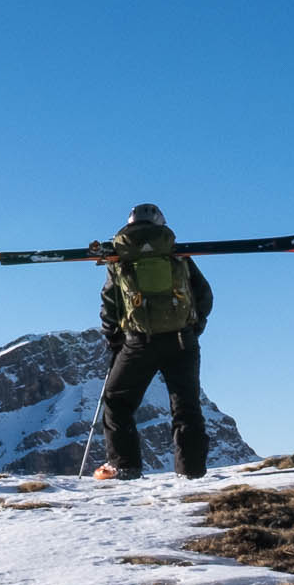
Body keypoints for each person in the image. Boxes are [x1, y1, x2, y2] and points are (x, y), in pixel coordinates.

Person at [94, 203, 214, 479]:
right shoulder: (177, 255)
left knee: (117, 401)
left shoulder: (121, 257)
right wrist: (193, 329)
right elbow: (204, 295)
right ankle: (192, 471)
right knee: (186, 405)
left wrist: (115, 340)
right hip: (182, 340)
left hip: (139, 342)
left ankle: (124, 465)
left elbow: (109, 304)